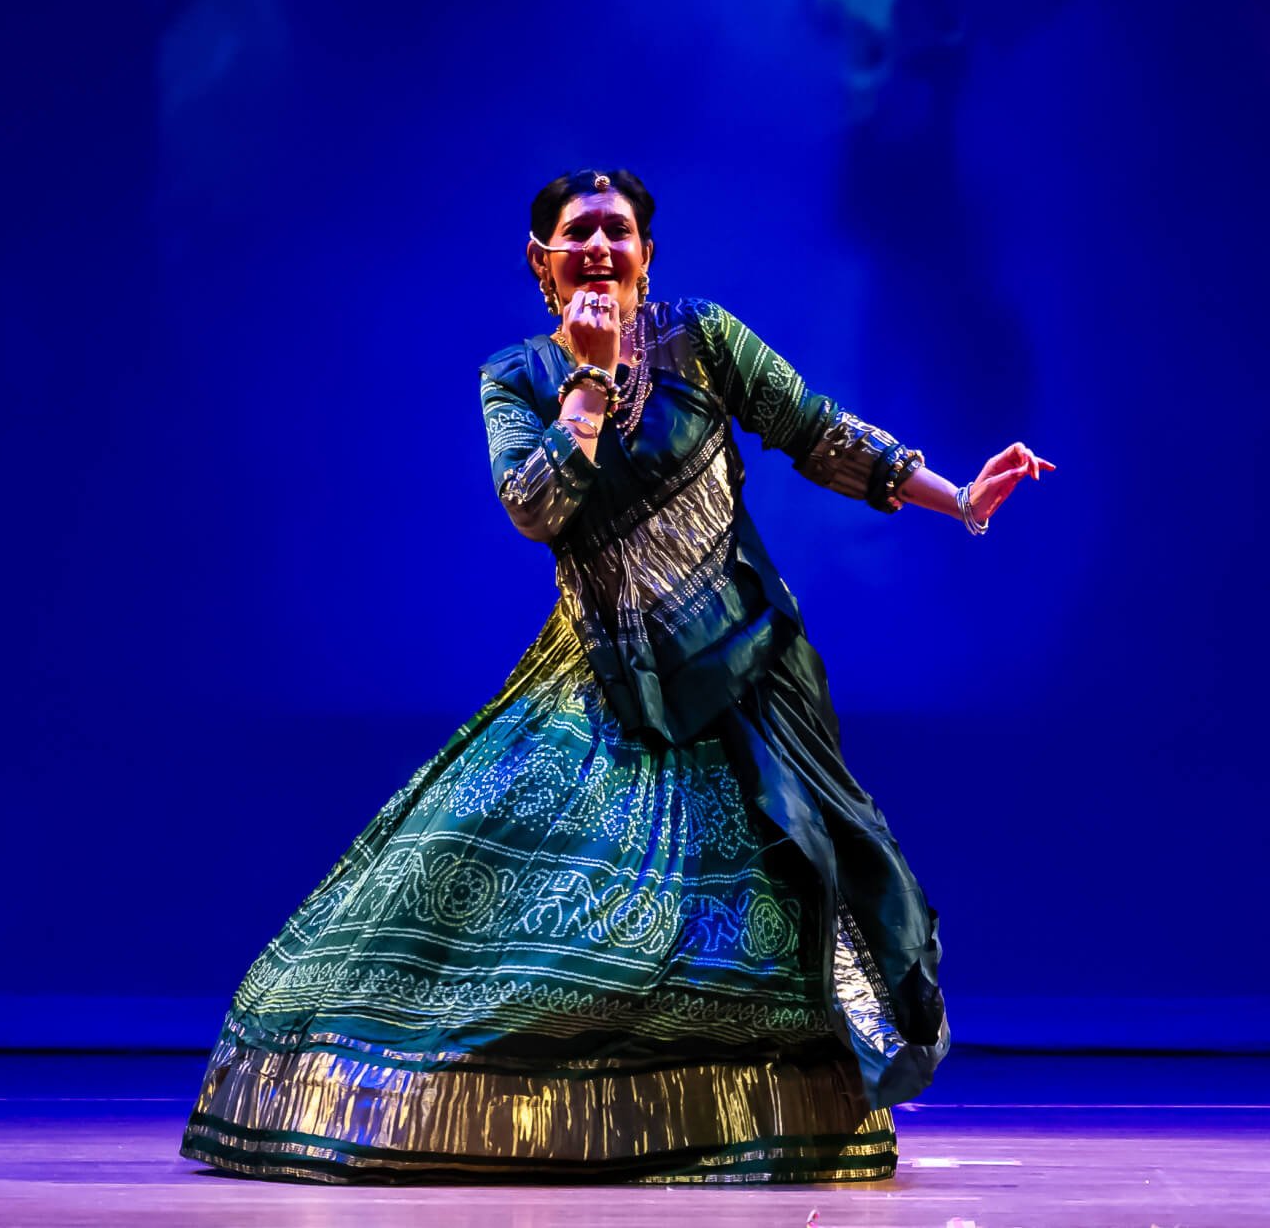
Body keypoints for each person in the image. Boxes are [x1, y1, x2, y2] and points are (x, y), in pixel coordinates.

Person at [181, 167, 1052, 1185]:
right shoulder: (515, 373)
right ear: (540, 260)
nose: (600, 246)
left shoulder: (701, 338)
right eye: (578, 231)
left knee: (774, 901)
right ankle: (500, 1118)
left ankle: (759, 1121)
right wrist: (588, 383)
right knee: (522, 911)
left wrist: (959, 498)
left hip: (741, 673)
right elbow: (534, 505)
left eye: (619, 230)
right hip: (599, 676)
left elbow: (812, 429)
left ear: (646, 253)